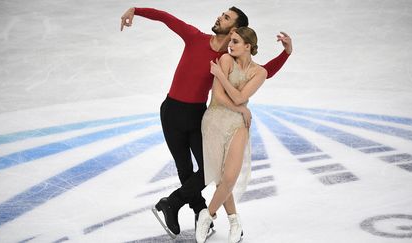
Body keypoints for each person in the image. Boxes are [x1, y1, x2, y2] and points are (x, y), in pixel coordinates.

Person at [120, 6, 292, 239]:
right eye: (222, 14)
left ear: (234, 29)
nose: (220, 17)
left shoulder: (229, 58)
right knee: (184, 169)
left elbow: (264, 71)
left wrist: (286, 53)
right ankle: (198, 211)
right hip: (170, 111)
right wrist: (135, 10)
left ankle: (172, 202)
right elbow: (167, 18)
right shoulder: (194, 37)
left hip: (197, 116)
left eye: (226, 18)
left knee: (210, 170)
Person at [196, 26, 271, 243]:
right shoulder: (226, 60)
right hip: (214, 120)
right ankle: (235, 223)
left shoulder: (259, 73)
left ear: (248, 46)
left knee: (229, 178)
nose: (231, 44)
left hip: (238, 124)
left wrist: (220, 75)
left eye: (236, 41)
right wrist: (242, 108)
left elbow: (240, 98)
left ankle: (207, 214)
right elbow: (218, 96)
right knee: (221, 180)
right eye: (232, 40)